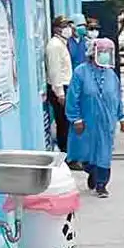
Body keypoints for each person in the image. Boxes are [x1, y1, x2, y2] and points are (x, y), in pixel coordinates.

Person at [65, 38, 124, 198]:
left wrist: (122, 117)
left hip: (107, 122)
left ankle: (101, 185)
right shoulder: (80, 72)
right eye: (102, 52)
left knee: (104, 154)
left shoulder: (111, 75)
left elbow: (117, 97)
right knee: (86, 154)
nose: (105, 55)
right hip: (87, 122)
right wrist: (75, 119)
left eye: (108, 53)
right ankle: (92, 172)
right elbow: (73, 97)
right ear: (93, 53)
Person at [45, 15, 75, 159]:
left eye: (68, 26)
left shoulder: (61, 44)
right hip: (60, 89)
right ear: (56, 29)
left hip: (65, 87)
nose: (68, 29)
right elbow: (54, 71)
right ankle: (66, 156)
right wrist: (60, 93)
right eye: (64, 26)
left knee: (67, 123)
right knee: (64, 124)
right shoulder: (55, 46)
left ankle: (69, 153)